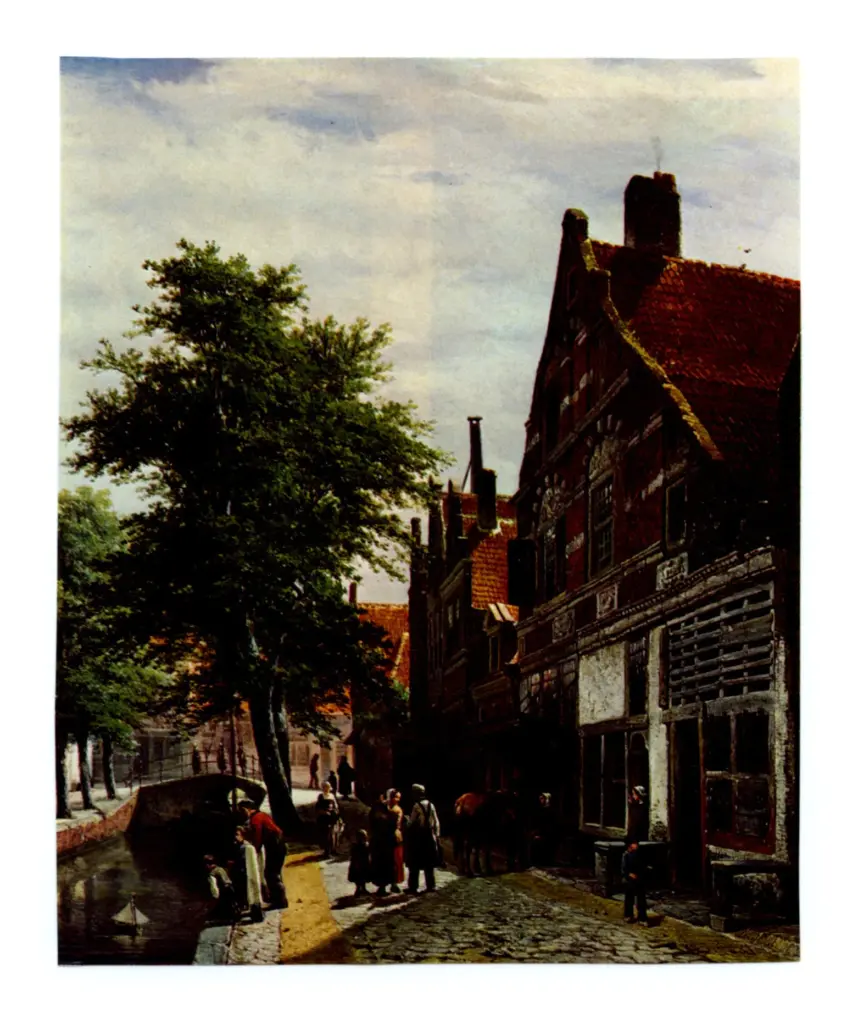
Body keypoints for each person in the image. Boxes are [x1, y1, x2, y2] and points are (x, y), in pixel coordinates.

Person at [240, 800, 289, 909]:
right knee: (274, 872)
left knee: (271, 873)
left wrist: (255, 849)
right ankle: (278, 898)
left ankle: (280, 901)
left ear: (247, 809)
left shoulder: (256, 819)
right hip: (278, 844)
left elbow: (258, 836)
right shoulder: (262, 815)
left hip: (275, 846)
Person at [406, 784, 441, 895]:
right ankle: (431, 886)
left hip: (419, 838)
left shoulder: (416, 806)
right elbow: (436, 822)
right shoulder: (431, 805)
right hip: (429, 837)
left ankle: (413, 887)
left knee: (414, 863)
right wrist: (436, 836)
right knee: (429, 863)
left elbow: (411, 822)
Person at [233, 826, 265, 923]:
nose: (235, 837)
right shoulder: (239, 847)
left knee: (253, 893)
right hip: (243, 874)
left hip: (249, 874)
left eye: (237, 835)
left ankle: (257, 914)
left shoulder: (247, 847)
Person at [368, 793, 397, 896]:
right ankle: (385, 886)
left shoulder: (388, 814)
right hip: (382, 843)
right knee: (384, 864)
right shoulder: (385, 814)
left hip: (382, 843)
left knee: (385, 864)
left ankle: (387, 885)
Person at [622, 837, 649, 926]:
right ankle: (629, 915)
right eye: (634, 843)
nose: (636, 845)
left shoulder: (639, 854)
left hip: (639, 879)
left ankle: (642, 918)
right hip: (630, 880)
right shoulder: (626, 855)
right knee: (629, 898)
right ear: (630, 846)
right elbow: (624, 869)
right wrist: (629, 874)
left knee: (641, 899)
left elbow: (642, 865)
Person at [204, 854, 239, 922]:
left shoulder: (212, 873)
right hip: (231, 888)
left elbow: (214, 889)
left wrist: (214, 899)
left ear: (207, 865)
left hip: (224, 892)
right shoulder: (221, 869)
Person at [387, 788, 406, 893]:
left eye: (398, 798)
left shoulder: (397, 809)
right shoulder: (387, 807)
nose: (397, 800)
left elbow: (397, 823)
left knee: (396, 860)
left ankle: (394, 883)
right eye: (396, 797)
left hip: (395, 836)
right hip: (387, 836)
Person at [315, 782, 340, 857]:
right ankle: (327, 851)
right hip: (324, 818)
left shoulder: (332, 795)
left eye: (328, 787)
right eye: (325, 787)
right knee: (326, 835)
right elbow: (318, 807)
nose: (326, 789)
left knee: (334, 834)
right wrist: (324, 812)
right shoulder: (321, 796)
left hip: (332, 817)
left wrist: (336, 811)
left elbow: (335, 805)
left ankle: (333, 850)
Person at [348, 829, 372, 896]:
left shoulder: (365, 845)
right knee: (358, 877)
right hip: (358, 863)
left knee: (363, 876)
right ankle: (358, 889)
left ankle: (363, 889)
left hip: (364, 863)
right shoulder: (356, 846)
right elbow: (353, 855)